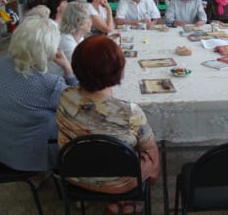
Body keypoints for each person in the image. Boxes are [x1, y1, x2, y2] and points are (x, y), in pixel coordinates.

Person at [57, 35, 160, 215]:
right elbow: (148, 148)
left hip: (75, 175)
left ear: (76, 67)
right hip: (120, 182)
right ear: (118, 69)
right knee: (151, 151)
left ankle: (118, 203)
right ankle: (129, 200)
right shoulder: (129, 111)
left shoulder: (65, 97)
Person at [0, 16, 77, 172]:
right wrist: (68, 70)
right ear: (48, 49)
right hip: (28, 156)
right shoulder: (49, 83)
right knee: (79, 132)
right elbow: (79, 107)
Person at [48, 1, 92, 76]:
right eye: (89, 17)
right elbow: (82, 74)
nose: (91, 21)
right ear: (80, 23)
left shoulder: (78, 37)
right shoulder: (67, 43)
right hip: (60, 84)